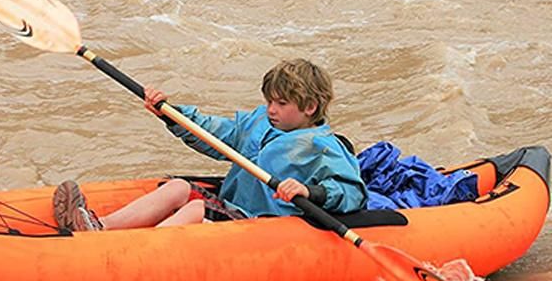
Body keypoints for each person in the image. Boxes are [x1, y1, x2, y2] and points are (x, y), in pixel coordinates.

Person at [54, 58, 367, 232]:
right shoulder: (259, 122)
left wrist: (308, 191)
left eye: (281, 103)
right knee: (178, 187)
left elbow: (352, 193)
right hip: (231, 207)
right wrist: (171, 114)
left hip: (262, 224)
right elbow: (213, 133)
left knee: (196, 207)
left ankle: (134, 255)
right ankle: (101, 227)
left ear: (310, 107)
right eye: (269, 101)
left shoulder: (324, 146)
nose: (271, 109)